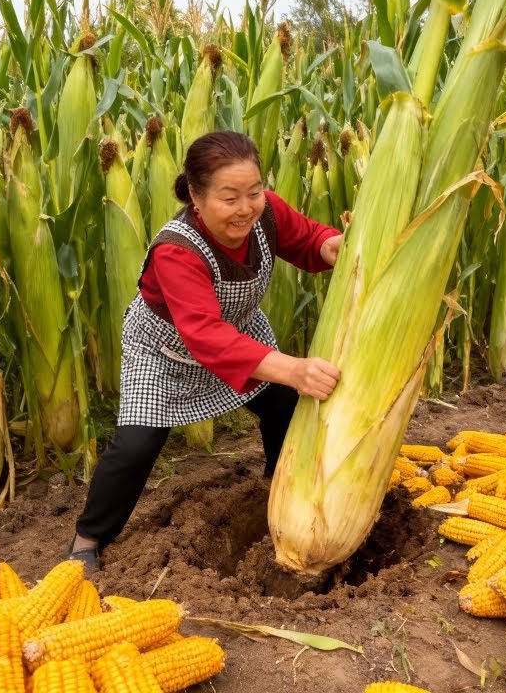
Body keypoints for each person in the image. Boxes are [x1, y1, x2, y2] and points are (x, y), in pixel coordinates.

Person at [67, 130, 344, 571]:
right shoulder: (177, 250)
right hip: (164, 351)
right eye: (229, 197)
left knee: (285, 406)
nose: (246, 207)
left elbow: (307, 238)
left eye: (253, 192)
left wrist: (331, 246)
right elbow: (204, 335)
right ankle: (88, 538)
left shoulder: (265, 214)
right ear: (196, 196)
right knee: (136, 446)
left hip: (237, 336)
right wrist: (293, 367)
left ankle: (278, 487)